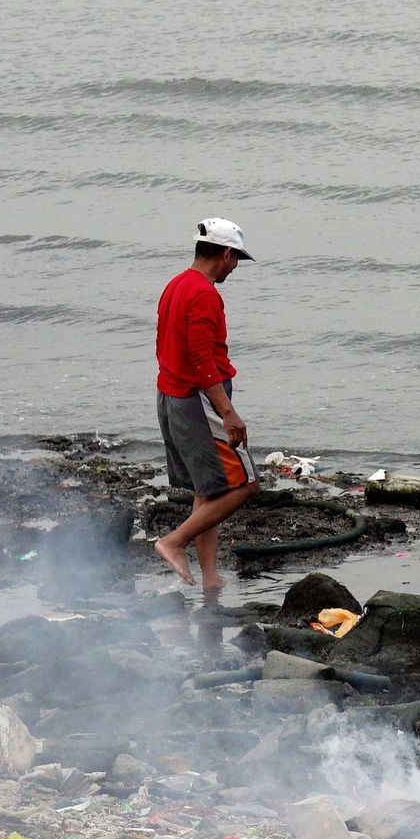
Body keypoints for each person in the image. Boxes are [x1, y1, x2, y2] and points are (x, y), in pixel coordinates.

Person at [154, 217, 259, 588]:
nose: (235, 268)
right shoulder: (203, 293)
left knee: (208, 488)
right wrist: (228, 413)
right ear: (225, 254)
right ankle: (173, 541)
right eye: (236, 260)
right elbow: (201, 359)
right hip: (198, 400)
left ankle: (210, 577)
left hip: (172, 396)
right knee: (245, 484)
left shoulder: (175, 285)